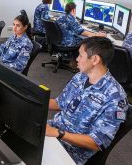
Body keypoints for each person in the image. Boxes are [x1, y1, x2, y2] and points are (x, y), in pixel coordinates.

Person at [46, 37, 128, 165]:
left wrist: (58, 133)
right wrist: (34, 100)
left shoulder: (116, 97)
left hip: (71, 151)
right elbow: (60, 103)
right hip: (53, 130)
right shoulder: (80, 77)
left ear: (95, 59)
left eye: (80, 55)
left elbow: (97, 142)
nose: (77, 59)